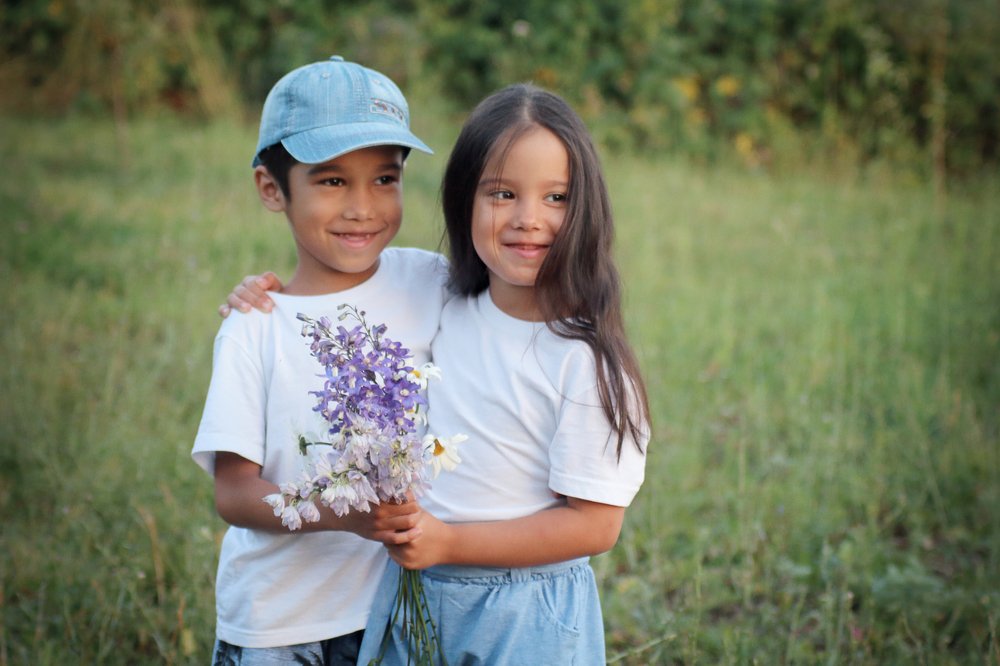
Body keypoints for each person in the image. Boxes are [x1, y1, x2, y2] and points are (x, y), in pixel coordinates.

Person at [224, 83, 650, 665]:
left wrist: (449, 541)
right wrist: (263, 298)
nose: (530, 220)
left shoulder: (584, 356)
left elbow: (597, 527)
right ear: (462, 199)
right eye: (502, 193)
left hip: (525, 608)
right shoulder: (443, 295)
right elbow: (338, 290)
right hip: (413, 596)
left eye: (557, 197)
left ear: (588, 208)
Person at [191, 56, 448, 665]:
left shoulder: (429, 280)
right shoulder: (255, 326)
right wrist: (346, 513)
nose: (363, 207)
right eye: (333, 181)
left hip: (399, 609)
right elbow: (233, 493)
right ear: (272, 189)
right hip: (283, 622)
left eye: (385, 179)